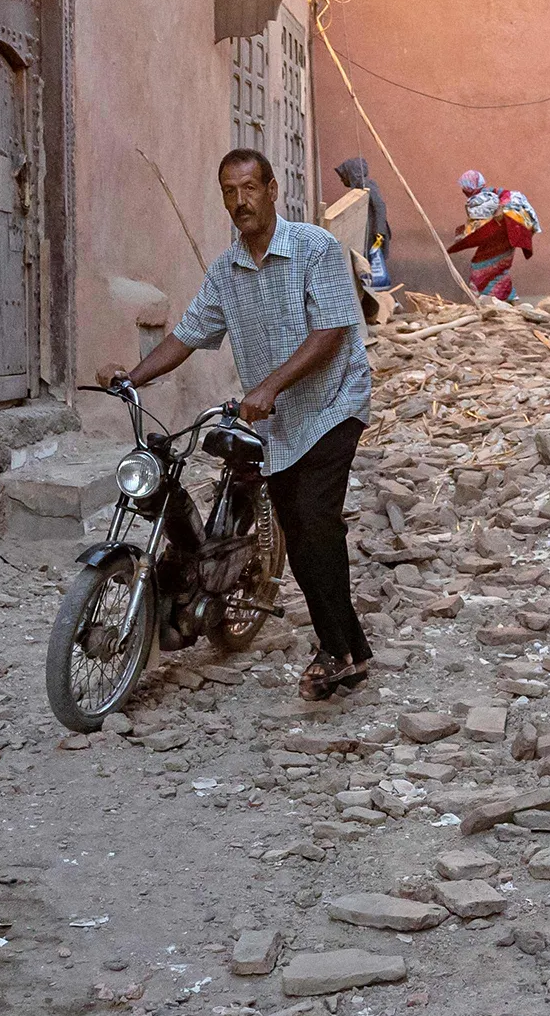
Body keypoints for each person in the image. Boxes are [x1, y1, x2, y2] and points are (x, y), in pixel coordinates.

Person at [107, 149, 377, 701]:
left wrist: (270, 385)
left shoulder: (314, 249)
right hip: (277, 422)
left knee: (313, 523)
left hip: (332, 403)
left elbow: (330, 333)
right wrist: (132, 377)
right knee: (300, 534)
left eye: (250, 188)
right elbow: (186, 334)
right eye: (229, 191)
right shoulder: (225, 272)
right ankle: (350, 648)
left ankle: (337, 652)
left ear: (273, 190)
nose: (240, 201)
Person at [449, 167, 538, 301]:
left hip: (500, 238)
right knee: (498, 268)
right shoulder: (495, 194)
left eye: (465, 188)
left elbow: (480, 226)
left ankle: (490, 299)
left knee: (483, 267)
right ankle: (509, 298)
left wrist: (463, 237)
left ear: (469, 188)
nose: (463, 191)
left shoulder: (481, 200)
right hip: (506, 237)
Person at [334, 155, 393, 289]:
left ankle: (381, 296)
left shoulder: (366, 185)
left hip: (374, 235)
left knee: (374, 266)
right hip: (369, 233)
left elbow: (379, 206)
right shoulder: (358, 189)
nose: (342, 179)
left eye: (344, 175)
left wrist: (379, 231)